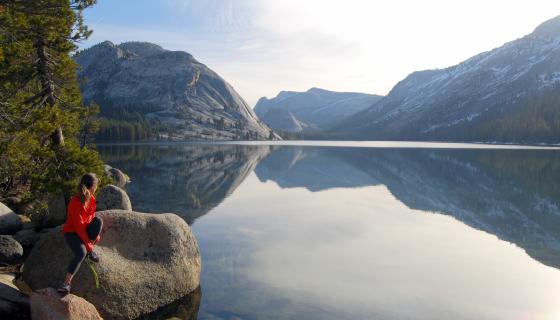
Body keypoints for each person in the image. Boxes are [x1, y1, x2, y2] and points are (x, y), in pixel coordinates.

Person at [57, 173, 103, 294]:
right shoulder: (75, 202)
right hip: (72, 232)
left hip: (84, 230)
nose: (97, 187)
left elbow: (92, 217)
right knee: (81, 253)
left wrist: (94, 237)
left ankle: (89, 248)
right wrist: (88, 244)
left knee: (98, 221)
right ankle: (66, 284)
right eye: (96, 185)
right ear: (92, 186)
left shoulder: (92, 199)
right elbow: (78, 227)